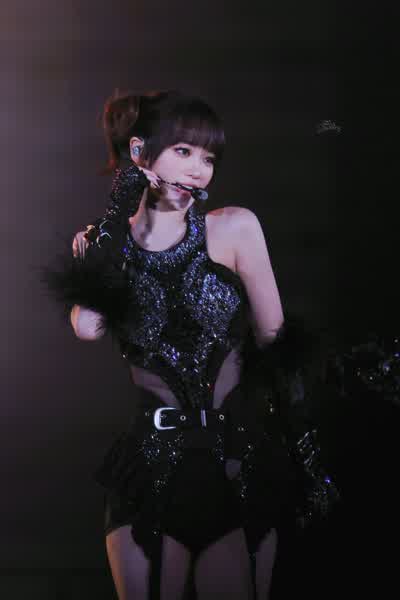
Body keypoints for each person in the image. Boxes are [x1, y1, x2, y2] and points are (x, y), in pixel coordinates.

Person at [42, 89, 340, 600]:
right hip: (148, 471)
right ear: (140, 152)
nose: (199, 171)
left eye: (209, 158)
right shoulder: (104, 242)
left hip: (236, 466)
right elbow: (87, 327)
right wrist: (116, 215)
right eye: (184, 151)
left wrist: (305, 455)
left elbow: (278, 347)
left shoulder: (235, 228)